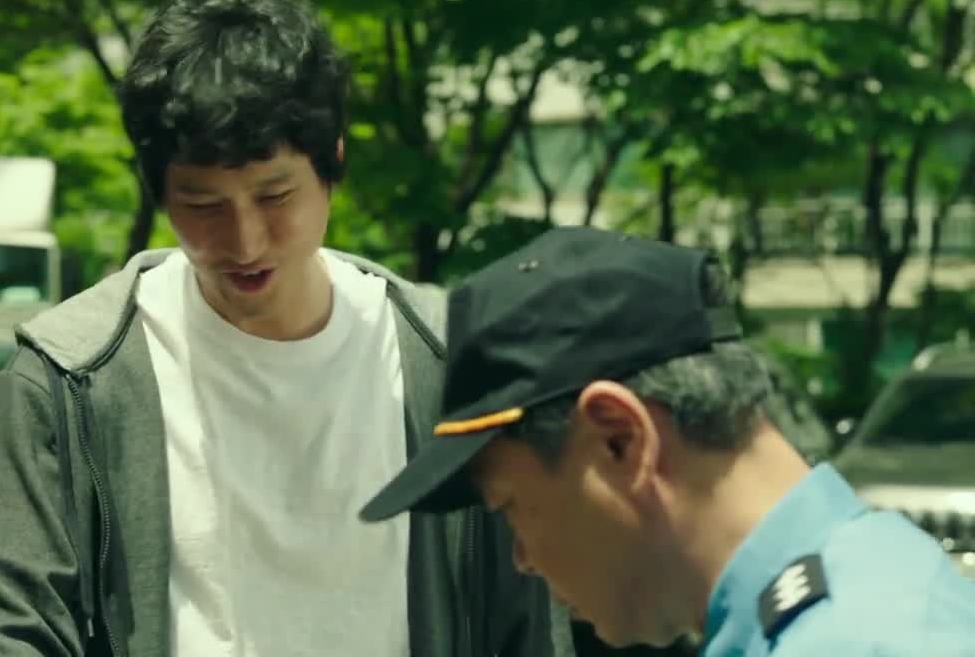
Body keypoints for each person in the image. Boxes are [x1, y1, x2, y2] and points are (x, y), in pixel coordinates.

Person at [0, 0, 574, 657]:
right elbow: (4, 628)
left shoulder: (455, 369)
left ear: (333, 163)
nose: (244, 242)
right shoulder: (67, 383)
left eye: (275, 196)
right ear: (157, 191)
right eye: (204, 205)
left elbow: (532, 626)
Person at [361, 226, 975, 655]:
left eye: (510, 505)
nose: (520, 557)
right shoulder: (869, 583)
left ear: (620, 440)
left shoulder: (847, 642)